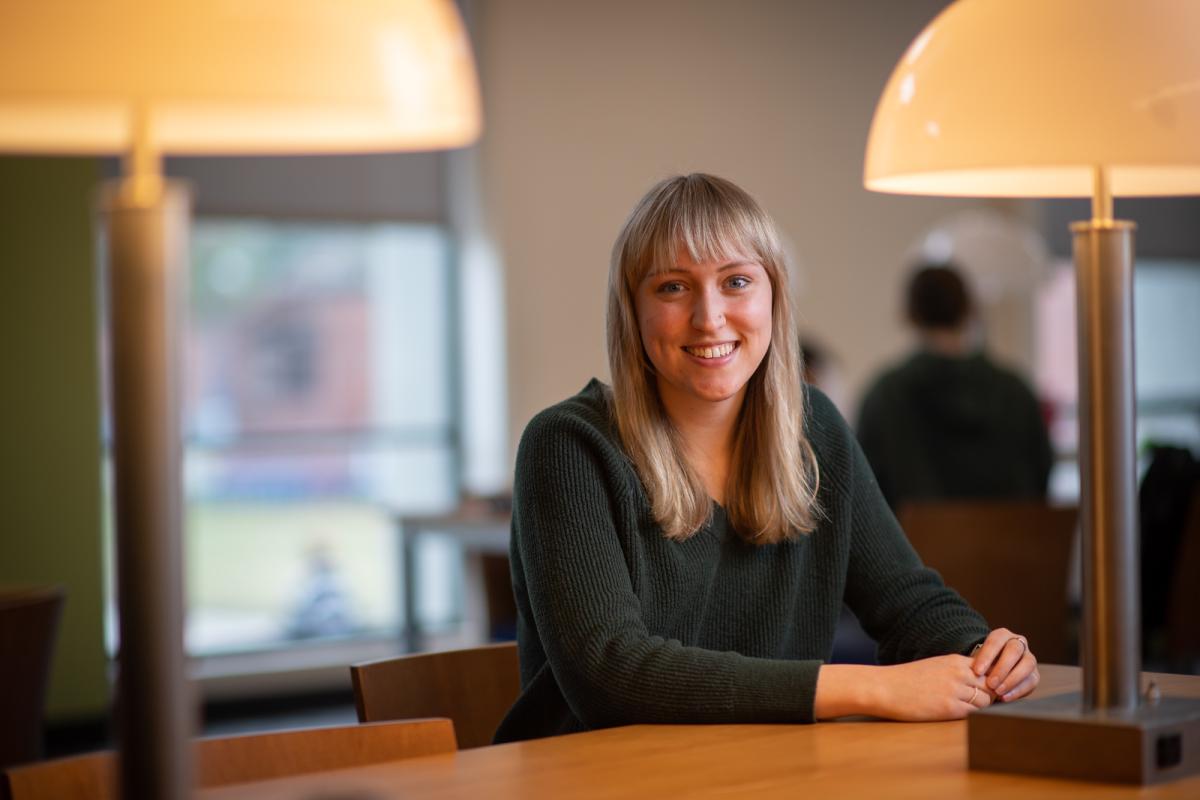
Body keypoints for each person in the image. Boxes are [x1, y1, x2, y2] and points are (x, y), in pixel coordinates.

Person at [493, 174, 1038, 744]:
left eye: (736, 282)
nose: (709, 317)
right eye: (673, 288)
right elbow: (611, 674)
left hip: (762, 772)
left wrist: (985, 652)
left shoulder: (814, 429)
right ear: (632, 309)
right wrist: (870, 688)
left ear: (773, 298)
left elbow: (906, 602)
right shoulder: (567, 446)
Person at [856, 263, 1053, 511]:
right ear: (969, 309)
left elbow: (866, 491)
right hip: (1012, 544)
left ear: (909, 313)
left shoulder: (886, 395)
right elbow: (1041, 475)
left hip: (915, 546)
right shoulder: (1015, 392)